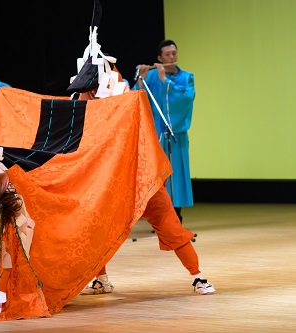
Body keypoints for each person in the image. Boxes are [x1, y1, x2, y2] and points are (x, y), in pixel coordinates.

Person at [69, 44, 214, 296]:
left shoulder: (125, 95)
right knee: (93, 226)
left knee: (169, 223)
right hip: (110, 180)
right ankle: (101, 279)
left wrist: (158, 79)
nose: (90, 91)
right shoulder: (86, 100)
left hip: (141, 175)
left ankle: (197, 276)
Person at [132, 40, 195, 224]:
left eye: (174, 53)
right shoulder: (150, 76)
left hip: (177, 136)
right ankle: (160, 219)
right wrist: (140, 80)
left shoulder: (187, 77)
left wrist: (165, 81)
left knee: (177, 176)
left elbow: (186, 99)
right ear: (159, 58)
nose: (172, 57)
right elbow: (138, 99)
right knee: (159, 177)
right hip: (157, 136)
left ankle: (176, 217)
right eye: (167, 55)